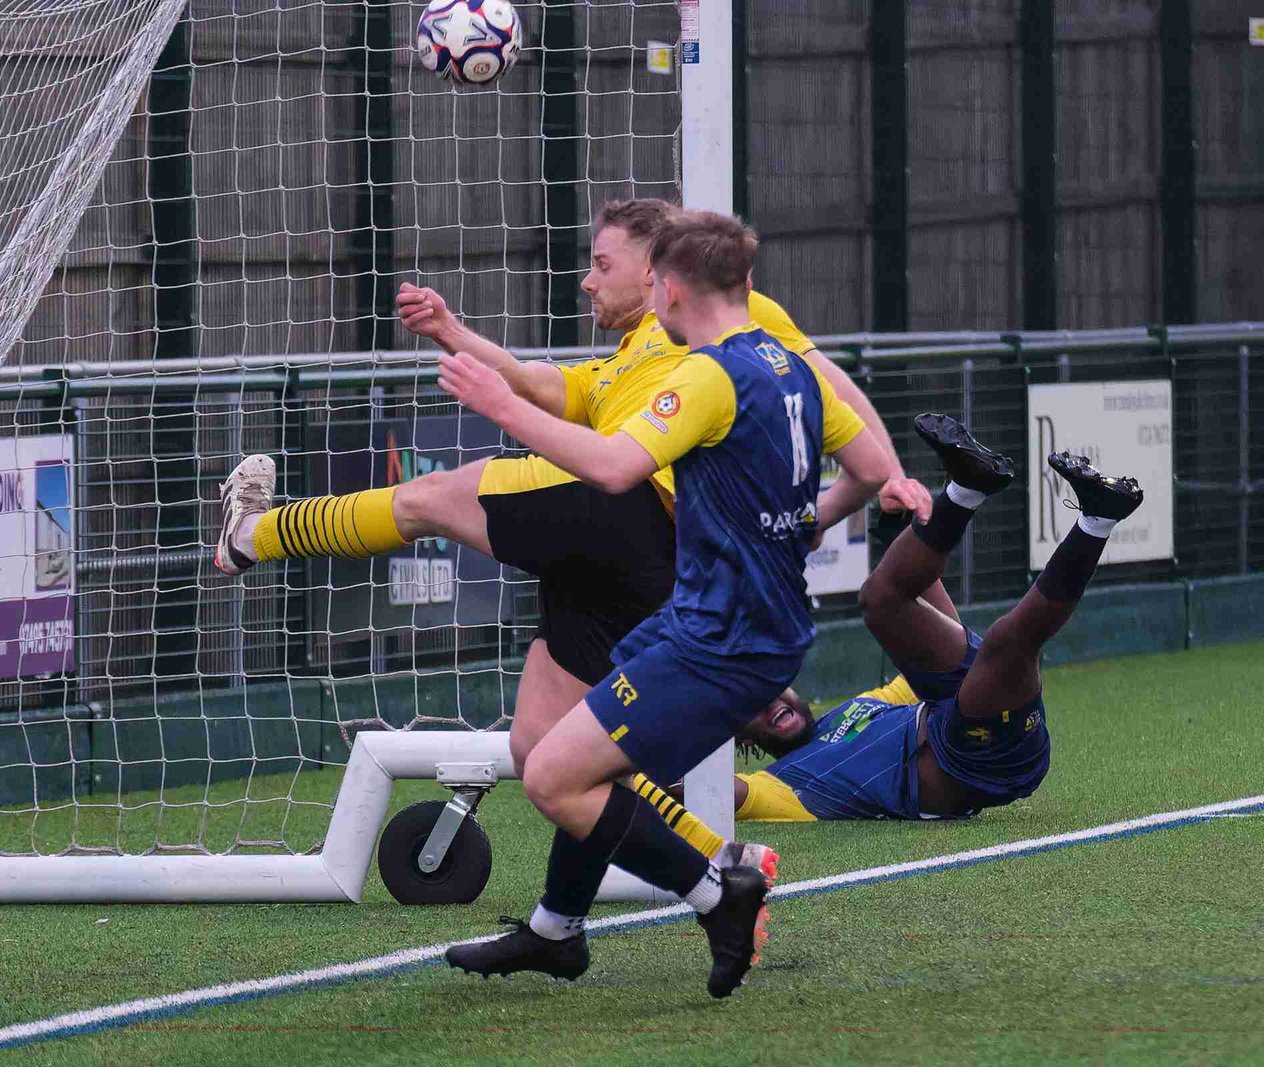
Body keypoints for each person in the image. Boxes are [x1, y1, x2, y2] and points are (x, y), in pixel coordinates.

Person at [212, 198, 928, 864]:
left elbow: (825, 381)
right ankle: (716, 861)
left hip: (626, 509)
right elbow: (544, 385)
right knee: (543, 747)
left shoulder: (722, 315)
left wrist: (889, 474)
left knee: (428, 498)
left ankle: (254, 535)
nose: (587, 281)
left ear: (658, 274)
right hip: (633, 562)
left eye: (602, 263)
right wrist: (452, 332)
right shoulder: (625, 362)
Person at [438, 211, 892, 997]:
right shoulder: (792, 365)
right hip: (729, 622)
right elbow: (874, 467)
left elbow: (615, 467)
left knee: (551, 777)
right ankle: (556, 929)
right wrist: (801, 523)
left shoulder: (707, 375)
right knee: (584, 758)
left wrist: (502, 406)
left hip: (722, 638)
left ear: (669, 289)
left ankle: (718, 894)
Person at [727, 414, 1144, 822]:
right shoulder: (778, 783)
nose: (769, 702)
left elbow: (947, 651)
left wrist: (901, 537)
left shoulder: (855, 710)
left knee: (879, 599)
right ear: (738, 735)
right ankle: (1097, 522)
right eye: (748, 705)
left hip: (959, 711)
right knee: (1005, 643)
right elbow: (720, 793)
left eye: (768, 687)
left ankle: (967, 487)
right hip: (978, 762)